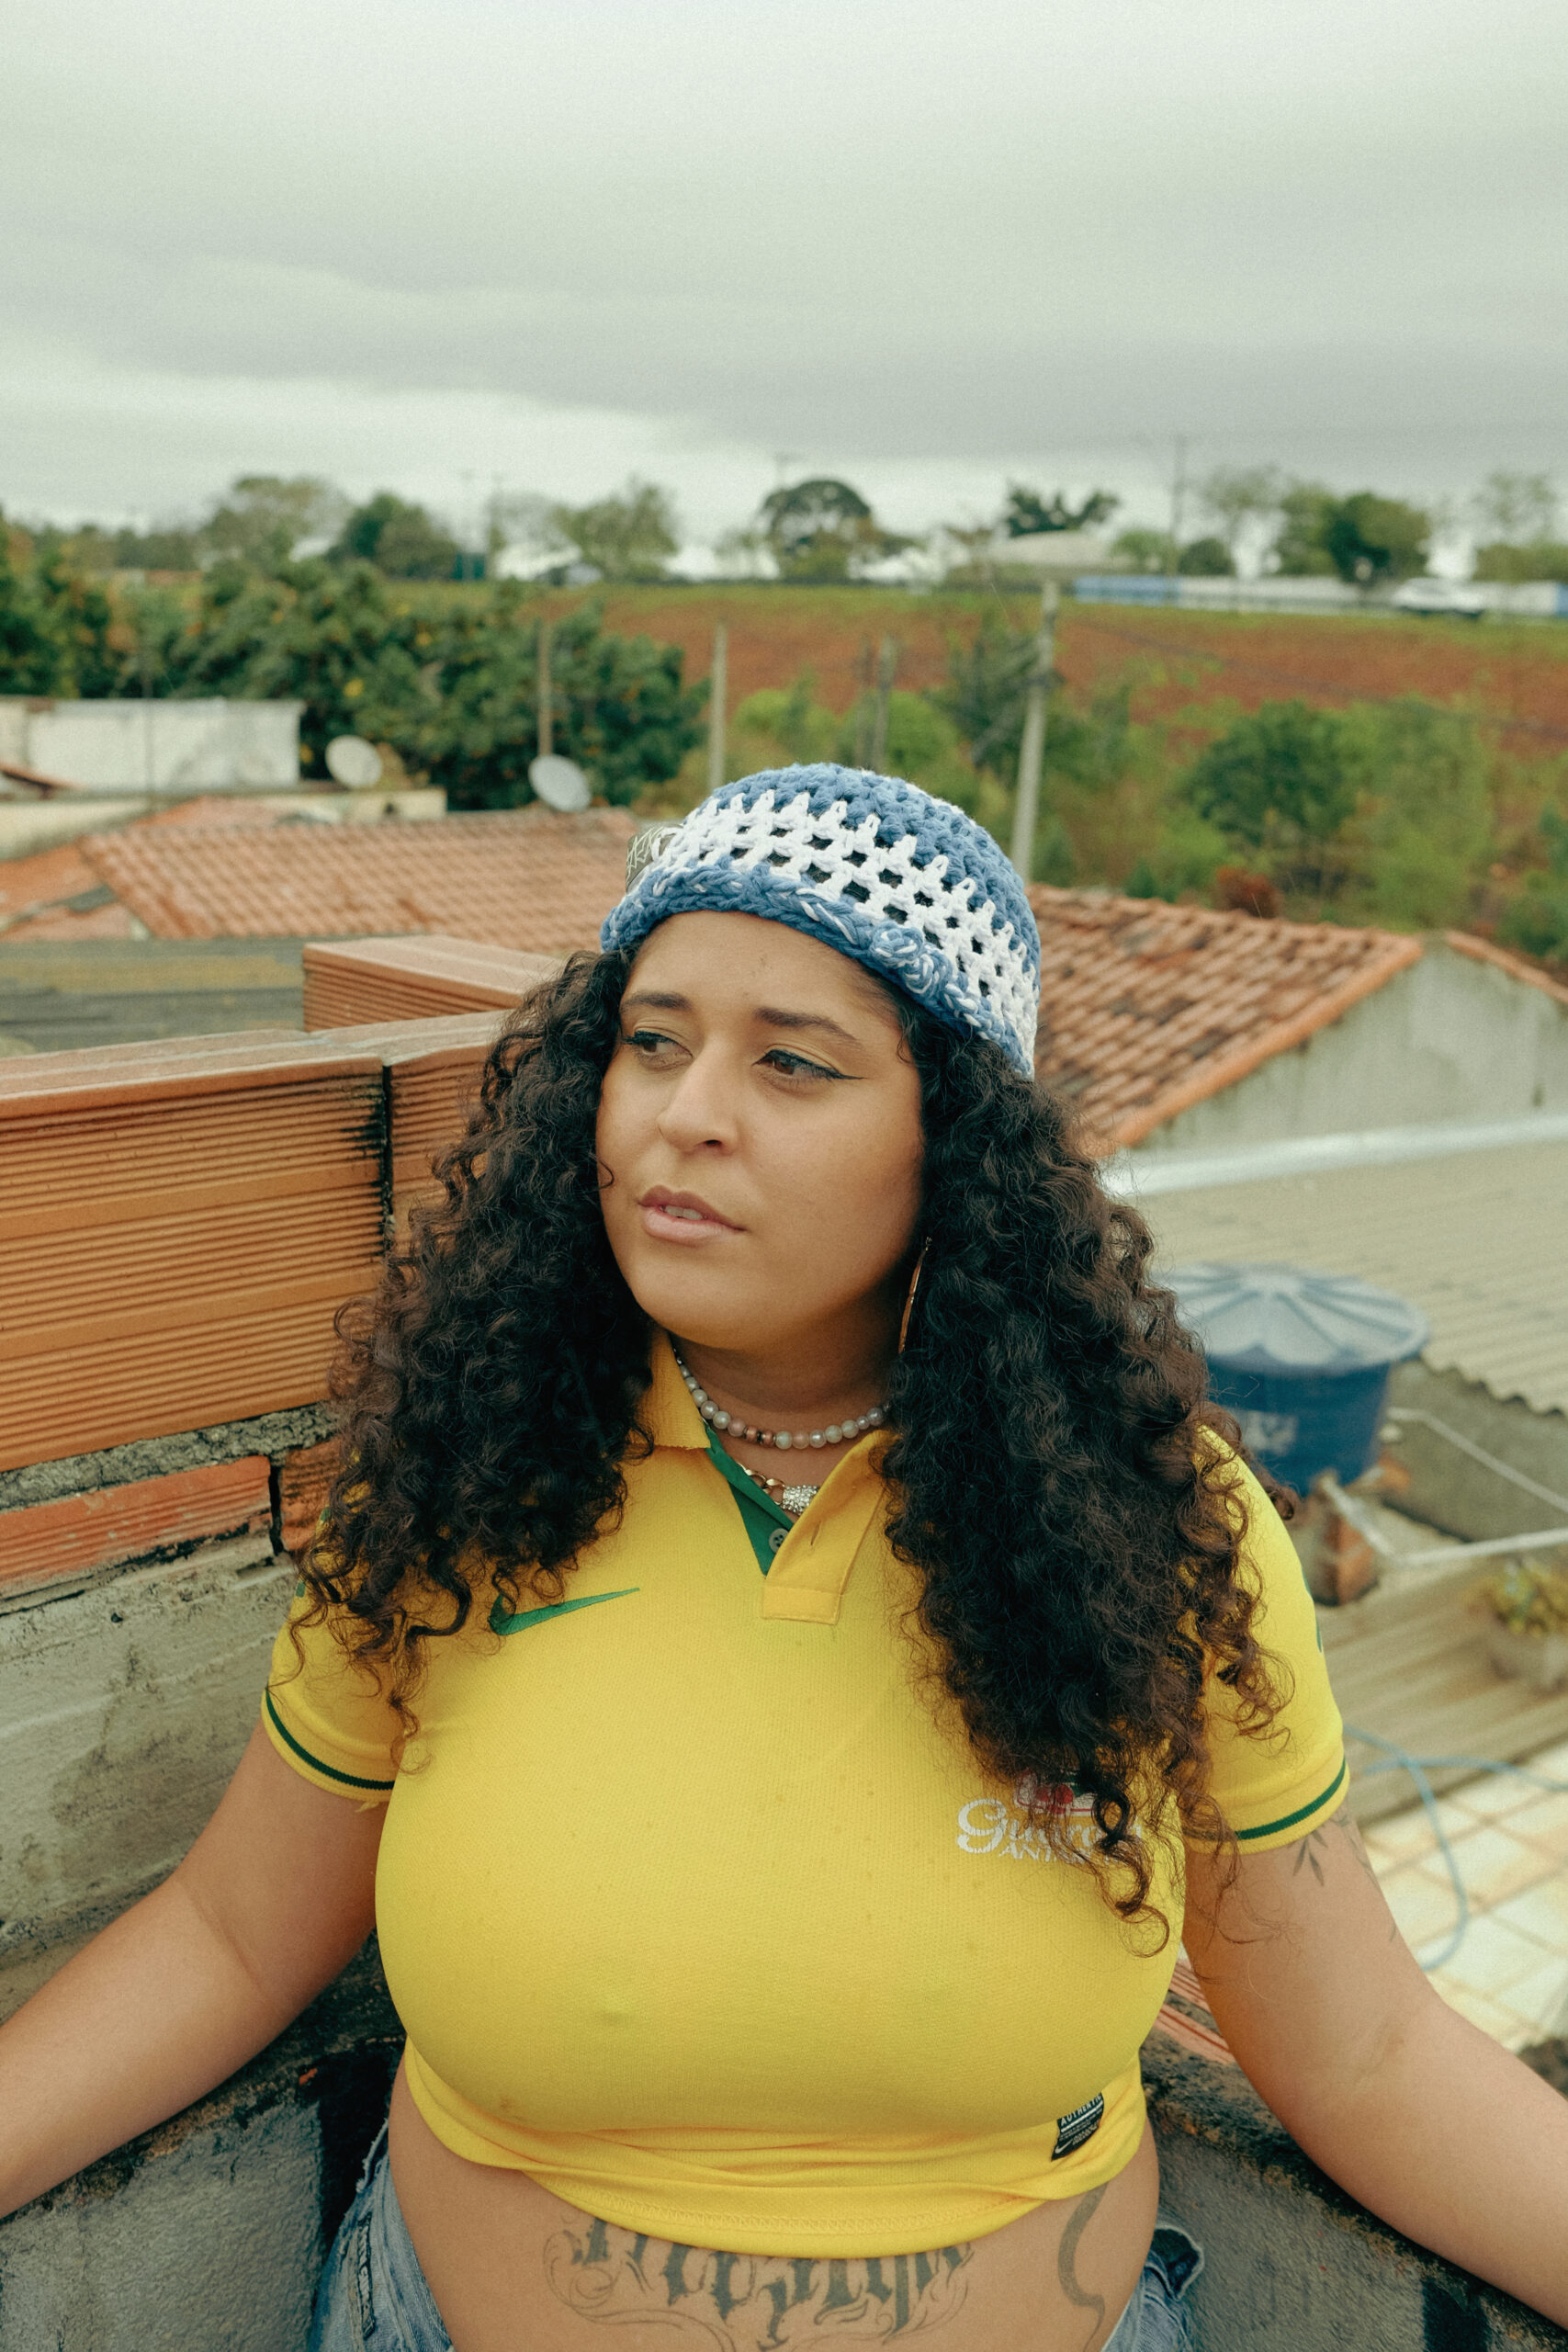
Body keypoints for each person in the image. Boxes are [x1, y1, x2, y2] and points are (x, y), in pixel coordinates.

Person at [2, 764, 1565, 2352]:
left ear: (956, 1142)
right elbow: (228, 1938)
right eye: (652, 1040)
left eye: (795, 1062)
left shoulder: (1152, 1525)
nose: (685, 1114)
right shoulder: (462, 1478)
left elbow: (1368, 2055)